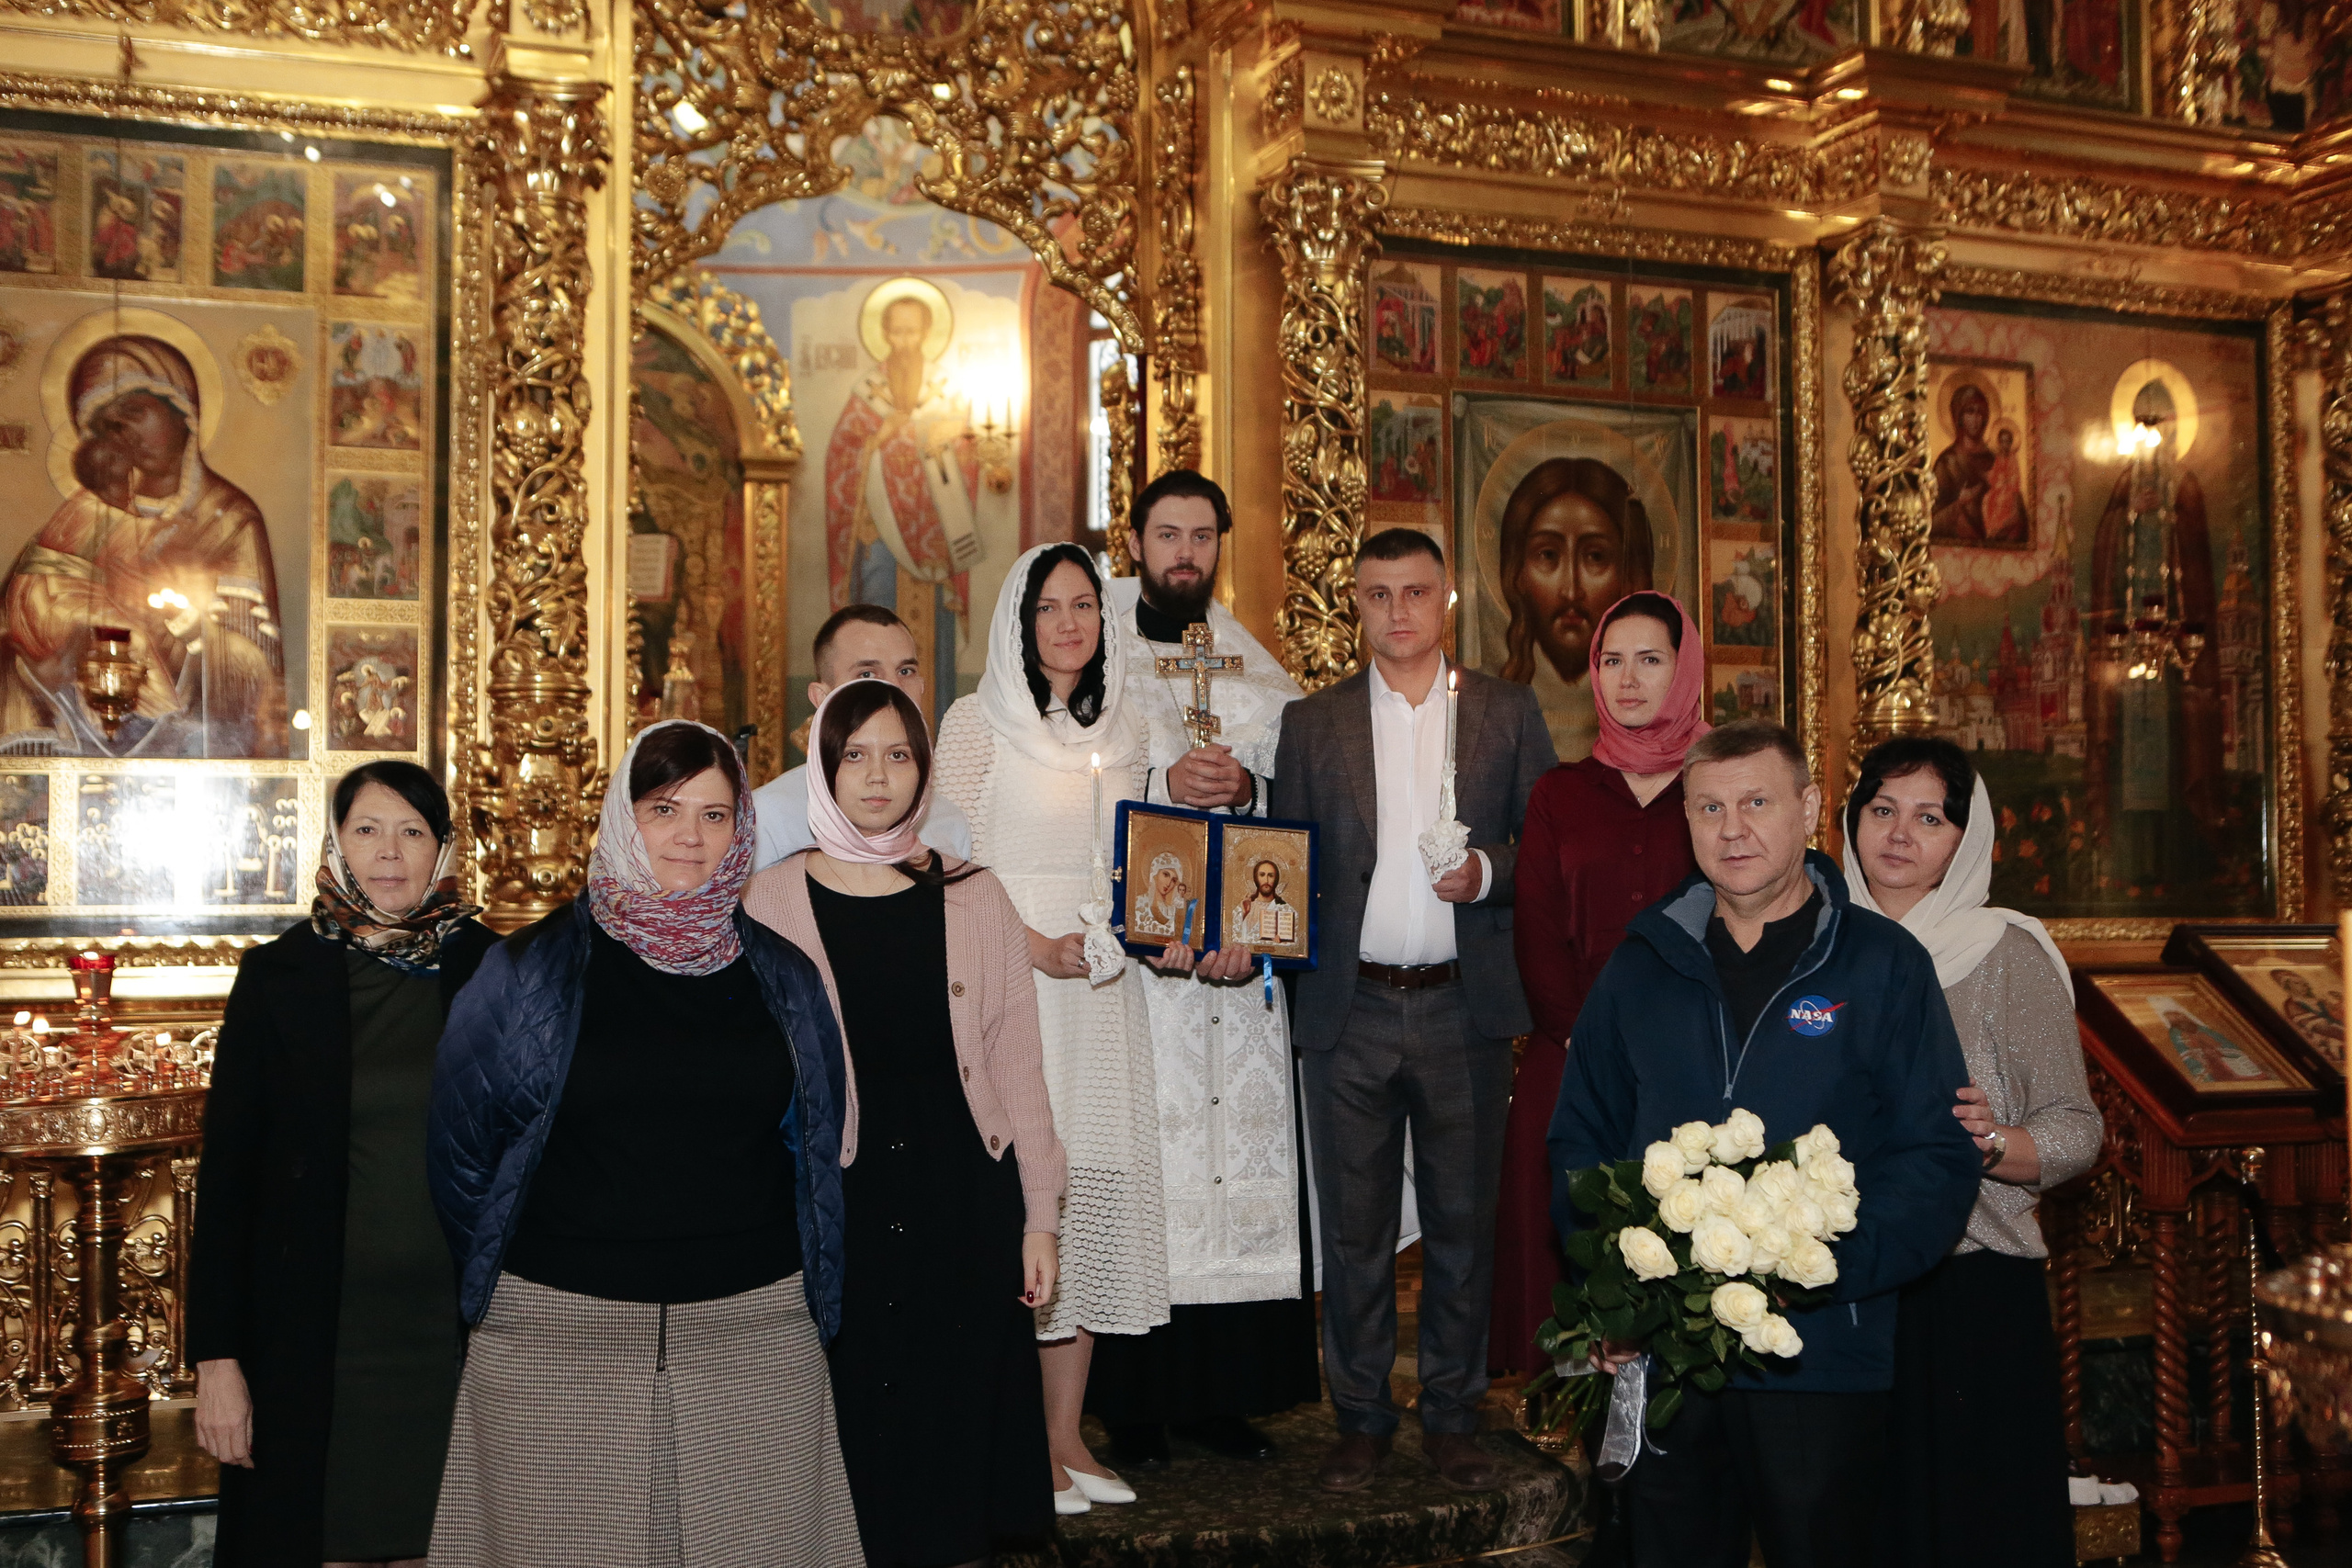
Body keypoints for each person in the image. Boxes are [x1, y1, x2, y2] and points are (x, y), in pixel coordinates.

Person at [425, 719, 861, 1567]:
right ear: (624, 817)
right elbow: (461, 1156)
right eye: (665, 808)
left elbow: (815, 1146)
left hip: (755, 1335)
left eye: (714, 814)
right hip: (556, 1339)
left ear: (742, 829)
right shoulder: (526, 971)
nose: (690, 835)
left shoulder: (786, 976)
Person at [1548, 718, 1982, 1568]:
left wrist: (1820, 1267)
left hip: (1820, 1353)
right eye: (1709, 807)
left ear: (1809, 809)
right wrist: (1618, 1286)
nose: (1732, 829)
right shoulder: (1641, 964)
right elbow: (1580, 1138)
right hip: (1670, 1357)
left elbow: (1934, 1154)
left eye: (1756, 802)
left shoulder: (1883, 965)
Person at [746, 677, 1063, 1566]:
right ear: (822, 767)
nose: (877, 776)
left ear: (924, 769)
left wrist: (1040, 1218)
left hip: (960, 1191)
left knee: (952, 1419)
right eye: (854, 755)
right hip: (837, 1198)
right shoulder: (767, 900)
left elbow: (1018, 1066)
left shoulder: (975, 895)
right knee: (851, 1420)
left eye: (897, 755)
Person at [1272, 526, 1556, 1494]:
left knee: (1461, 1226)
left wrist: (1486, 872)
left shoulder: (1506, 712)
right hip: (1347, 1007)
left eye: (1416, 591)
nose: (1398, 610)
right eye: (1378, 593)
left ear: (1448, 601)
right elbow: (1289, 861)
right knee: (1353, 1232)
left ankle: (1451, 1413)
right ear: (1355, 603)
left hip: (1461, 1007)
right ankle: (1359, 1418)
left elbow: (1543, 846)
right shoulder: (1312, 724)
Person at [188, 762, 492, 1568]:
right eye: (367, 829)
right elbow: (228, 1183)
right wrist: (216, 1359)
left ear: (444, 848)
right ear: (335, 843)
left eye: (412, 831)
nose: (389, 851)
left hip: (456, 1341)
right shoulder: (277, 977)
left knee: (450, 1545)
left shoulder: (497, 970)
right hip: (313, 1338)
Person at [933, 541, 1170, 1513]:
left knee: (1091, 1203)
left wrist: (1139, 926)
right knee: (1021, 1205)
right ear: (1018, 622)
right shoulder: (974, 724)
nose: (1069, 623)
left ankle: (1066, 1434)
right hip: (1012, 990)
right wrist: (1033, 945)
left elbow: (1150, 862)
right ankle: (1016, 1440)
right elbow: (943, 867)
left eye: (1084, 605)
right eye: (1048, 607)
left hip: (1101, 999)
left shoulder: (1129, 723)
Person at [1091, 469, 1318, 1471]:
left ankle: (1225, 1397)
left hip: (1238, 974)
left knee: (1235, 1168)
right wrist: (1159, 780)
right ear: (1135, 542)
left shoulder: (1253, 669)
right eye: (1167, 534)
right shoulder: (1097, 660)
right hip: (1144, 979)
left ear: (1221, 544)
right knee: (1158, 1166)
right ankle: (1135, 1403)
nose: (1185, 552)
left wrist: (1249, 785)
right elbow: (1069, 789)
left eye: (1201, 536)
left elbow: (1303, 800)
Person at [1843, 737, 2101, 1568]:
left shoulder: (2004, 953)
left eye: (1930, 818)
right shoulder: (1819, 945)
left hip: (1972, 1285)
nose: (1899, 833)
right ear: (1850, 819)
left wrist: (1991, 1143)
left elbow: (2076, 1127)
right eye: (1883, 809)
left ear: (1968, 837)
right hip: (1844, 1282)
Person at [1492, 592, 1706, 1382]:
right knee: (1561, 1236)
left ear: (1685, 669)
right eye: (1611, 660)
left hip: (1693, 1059)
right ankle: (1568, 1414)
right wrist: (1588, 1038)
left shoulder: (1720, 785)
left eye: (1650, 660)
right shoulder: (1561, 793)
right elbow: (1538, 932)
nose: (1628, 678)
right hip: (1572, 1052)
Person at [0, 333, 288, 756]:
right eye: (110, 425)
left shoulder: (228, 519)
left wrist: (185, 627)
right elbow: (24, 616)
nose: (126, 433)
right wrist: (48, 654)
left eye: (136, 412)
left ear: (183, 411)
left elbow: (258, 669)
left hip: (189, 741)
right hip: (79, 725)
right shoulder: (84, 518)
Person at [751, 602, 973, 869]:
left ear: (922, 687)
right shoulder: (766, 818)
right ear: (822, 697)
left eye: (905, 672)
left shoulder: (949, 822)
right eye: (867, 674)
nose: (893, 689)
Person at [1494, 457, 1656, 761]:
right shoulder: (1491, 699)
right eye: (1548, 555)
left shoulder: (1656, 696)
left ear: (1628, 576)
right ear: (1518, 574)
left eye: (1595, 557)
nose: (1571, 589)